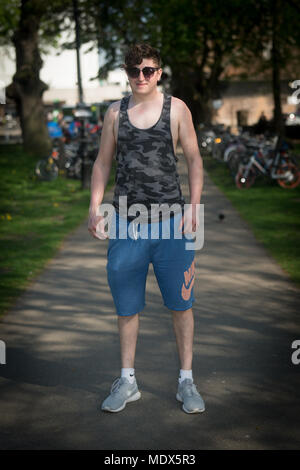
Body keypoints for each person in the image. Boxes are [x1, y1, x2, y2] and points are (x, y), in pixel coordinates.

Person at [88, 43, 205, 414]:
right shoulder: (114, 113)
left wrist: (194, 207)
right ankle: (128, 381)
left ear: (159, 72)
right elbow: (102, 163)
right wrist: (95, 206)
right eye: (135, 71)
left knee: (181, 305)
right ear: (127, 73)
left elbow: (194, 158)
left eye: (149, 70)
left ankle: (186, 381)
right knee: (127, 307)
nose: (142, 77)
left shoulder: (177, 109)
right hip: (126, 224)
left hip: (173, 224)